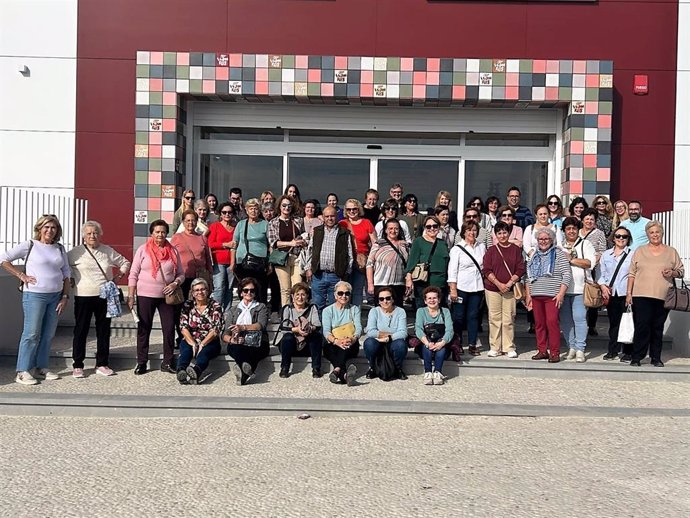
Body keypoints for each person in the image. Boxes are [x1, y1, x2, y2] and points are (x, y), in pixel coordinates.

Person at [1, 214, 71, 385]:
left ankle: (41, 367)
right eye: (46, 227)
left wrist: (65, 296)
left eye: (53, 227)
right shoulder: (30, 245)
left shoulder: (60, 248)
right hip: (35, 295)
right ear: (39, 228)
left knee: (48, 334)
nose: (50, 230)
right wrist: (20, 275)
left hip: (55, 296)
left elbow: (66, 273)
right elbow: (4, 259)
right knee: (31, 334)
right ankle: (22, 371)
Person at [68, 220, 130, 378]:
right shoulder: (75, 252)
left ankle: (102, 363)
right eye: (88, 233)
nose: (92, 236)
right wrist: (70, 277)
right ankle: (78, 365)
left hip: (105, 295)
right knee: (81, 330)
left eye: (95, 232)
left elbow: (125, 262)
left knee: (104, 330)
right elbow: (63, 266)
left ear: (100, 234)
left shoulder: (107, 250)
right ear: (83, 236)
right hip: (83, 295)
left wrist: (118, 277)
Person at [128, 219, 184, 375]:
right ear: (151, 233)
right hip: (145, 294)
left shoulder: (173, 250)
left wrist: (175, 284)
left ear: (167, 233)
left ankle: (167, 361)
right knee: (144, 328)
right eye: (157, 232)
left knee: (169, 328)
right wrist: (131, 295)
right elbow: (133, 273)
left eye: (163, 232)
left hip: (167, 296)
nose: (160, 234)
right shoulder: (143, 250)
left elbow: (180, 273)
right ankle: (141, 362)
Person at [626, 221, 684, 367]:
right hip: (641, 295)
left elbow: (681, 271)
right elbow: (631, 273)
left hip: (663, 296)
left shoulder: (671, 251)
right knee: (642, 325)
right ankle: (637, 356)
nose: (655, 235)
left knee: (657, 327)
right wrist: (629, 293)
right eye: (651, 232)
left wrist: (672, 272)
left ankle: (656, 357)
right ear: (647, 235)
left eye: (657, 232)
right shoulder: (640, 250)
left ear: (662, 233)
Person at [524, 228, 572, 363]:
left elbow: (566, 274)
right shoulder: (533, 255)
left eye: (546, 239)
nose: (543, 241)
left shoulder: (559, 254)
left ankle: (555, 352)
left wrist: (561, 293)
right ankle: (542, 350)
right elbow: (528, 277)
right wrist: (528, 295)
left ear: (551, 240)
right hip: (536, 294)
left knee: (552, 323)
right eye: (540, 239)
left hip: (552, 295)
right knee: (539, 324)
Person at [482, 221, 525, 358]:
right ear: (495, 235)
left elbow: (520, 268)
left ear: (509, 233)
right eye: (499, 233)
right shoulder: (491, 251)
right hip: (492, 289)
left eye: (504, 232)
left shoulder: (516, 250)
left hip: (510, 289)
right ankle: (495, 346)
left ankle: (509, 346)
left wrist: (509, 282)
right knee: (494, 318)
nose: (502, 235)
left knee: (509, 318)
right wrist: (498, 283)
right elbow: (486, 269)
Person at [560, 217, 596, 362]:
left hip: (580, 288)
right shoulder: (559, 246)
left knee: (580, 319)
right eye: (568, 229)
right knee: (565, 321)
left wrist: (571, 260)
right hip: (563, 289)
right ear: (564, 231)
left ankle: (580, 348)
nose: (571, 231)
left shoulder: (585, 244)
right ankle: (571, 347)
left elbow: (589, 263)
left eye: (574, 228)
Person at [176, 278, 224, 385]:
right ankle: (181, 372)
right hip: (190, 338)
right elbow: (183, 327)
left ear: (207, 291)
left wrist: (202, 344)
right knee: (186, 352)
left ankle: (196, 371)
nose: (200, 292)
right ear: (192, 293)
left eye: (203, 289)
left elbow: (216, 328)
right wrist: (193, 344)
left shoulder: (215, 306)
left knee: (204, 353)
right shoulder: (188, 306)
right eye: (197, 290)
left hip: (210, 340)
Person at [222, 277, 270, 384]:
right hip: (238, 342)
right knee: (236, 347)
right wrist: (231, 339)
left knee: (253, 351)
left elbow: (261, 325)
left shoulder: (261, 307)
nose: (249, 293)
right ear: (241, 293)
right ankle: (246, 371)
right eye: (246, 290)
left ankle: (242, 374)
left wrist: (242, 327)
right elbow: (225, 333)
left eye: (252, 290)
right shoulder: (233, 310)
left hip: (258, 342)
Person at [448, 221, 486, 356]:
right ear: (463, 232)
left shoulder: (481, 247)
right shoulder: (457, 249)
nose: (472, 233)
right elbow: (452, 271)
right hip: (461, 288)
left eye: (475, 230)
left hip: (477, 287)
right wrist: (453, 289)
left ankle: (472, 344)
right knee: (458, 317)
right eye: (469, 230)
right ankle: (457, 344)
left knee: (473, 316)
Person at [305, 206, 353, 311]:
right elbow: (310, 250)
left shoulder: (344, 233)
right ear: (323, 217)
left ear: (336, 217)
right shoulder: (317, 231)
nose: (330, 218)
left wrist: (346, 273)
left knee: (335, 307)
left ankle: (332, 328)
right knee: (317, 306)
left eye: (332, 216)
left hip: (336, 276)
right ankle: (319, 327)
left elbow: (350, 255)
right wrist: (308, 268)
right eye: (327, 216)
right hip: (318, 275)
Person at [600, 226, 634, 361]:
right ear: (613, 238)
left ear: (628, 239)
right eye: (618, 236)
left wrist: (630, 293)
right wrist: (602, 286)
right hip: (611, 293)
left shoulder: (633, 254)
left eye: (624, 236)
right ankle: (613, 350)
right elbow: (601, 274)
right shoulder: (606, 254)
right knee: (614, 324)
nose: (621, 239)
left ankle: (628, 352)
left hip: (626, 293)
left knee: (627, 322)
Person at [276, 282, 323, 378]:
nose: (300, 297)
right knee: (287, 337)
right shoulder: (287, 308)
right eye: (297, 294)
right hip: (290, 346)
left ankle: (316, 368)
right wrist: (296, 329)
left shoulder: (312, 307)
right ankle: (284, 368)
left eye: (303, 295)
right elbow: (284, 327)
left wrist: (309, 328)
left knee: (316, 336)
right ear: (293, 296)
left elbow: (317, 325)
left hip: (307, 345)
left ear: (307, 296)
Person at [268, 195, 307, 306]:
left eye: (289, 205)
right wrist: (291, 243)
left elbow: (302, 236)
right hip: (281, 258)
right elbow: (273, 242)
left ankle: (298, 313)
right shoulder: (273, 222)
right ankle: (286, 314)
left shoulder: (298, 220)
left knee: (298, 287)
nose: (287, 208)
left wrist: (302, 241)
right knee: (285, 289)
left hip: (296, 257)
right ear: (279, 207)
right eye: (284, 205)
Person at [363, 286, 408, 380]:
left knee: (401, 344)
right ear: (378, 301)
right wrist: (385, 335)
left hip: (393, 342)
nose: (385, 301)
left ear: (393, 299)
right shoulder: (374, 311)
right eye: (381, 299)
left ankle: (397, 369)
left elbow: (403, 332)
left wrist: (389, 338)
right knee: (369, 343)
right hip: (378, 341)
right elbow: (370, 331)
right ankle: (372, 367)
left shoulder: (400, 311)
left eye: (388, 298)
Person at [405, 215, 450, 309]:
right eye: (428, 226)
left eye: (435, 226)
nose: (432, 229)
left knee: (439, 312)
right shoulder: (418, 242)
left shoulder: (443, 243)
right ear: (424, 228)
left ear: (439, 227)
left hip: (440, 284)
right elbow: (411, 262)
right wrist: (409, 280)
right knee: (423, 311)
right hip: (423, 283)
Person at [322, 281, 362, 386]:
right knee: (332, 347)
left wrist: (353, 339)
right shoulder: (327, 311)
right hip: (333, 343)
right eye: (340, 293)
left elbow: (359, 328)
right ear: (335, 295)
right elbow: (326, 331)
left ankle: (337, 370)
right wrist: (336, 341)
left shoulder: (355, 309)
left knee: (345, 346)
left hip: (351, 342)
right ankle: (344, 375)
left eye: (347, 293)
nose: (343, 296)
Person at [339, 198, 377, 307]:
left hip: (361, 261)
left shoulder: (366, 222)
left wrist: (372, 259)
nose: (352, 211)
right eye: (349, 209)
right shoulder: (342, 224)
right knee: (345, 291)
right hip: (346, 261)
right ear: (345, 210)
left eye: (354, 209)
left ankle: (355, 318)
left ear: (359, 209)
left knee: (358, 291)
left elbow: (375, 243)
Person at [414, 286, 453, 385]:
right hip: (426, 342)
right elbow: (418, 329)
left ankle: (437, 372)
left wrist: (442, 342)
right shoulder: (421, 311)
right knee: (426, 347)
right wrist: (427, 343)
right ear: (425, 301)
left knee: (442, 348)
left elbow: (449, 330)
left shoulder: (445, 311)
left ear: (439, 300)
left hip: (441, 341)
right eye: (429, 298)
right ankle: (427, 372)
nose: (432, 300)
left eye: (434, 298)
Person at [366, 218, 410, 307]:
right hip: (381, 283)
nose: (393, 231)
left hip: (399, 284)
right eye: (390, 228)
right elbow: (369, 264)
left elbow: (409, 265)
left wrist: (409, 281)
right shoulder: (378, 244)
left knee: (397, 311)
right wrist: (370, 284)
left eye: (396, 228)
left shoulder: (405, 245)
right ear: (386, 230)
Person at [171, 210, 213, 301]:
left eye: (193, 220)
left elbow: (208, 258)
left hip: (199, 277)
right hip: (182, 277)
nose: (191, 223)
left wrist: (210, 275)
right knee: (181, 304)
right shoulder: (176, 238)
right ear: (183, 222)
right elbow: (171, 257)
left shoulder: (202, 238)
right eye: (188, 220)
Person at [234, 198, 270, 303]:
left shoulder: (265, 224)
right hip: (243, 262)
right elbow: (234, 243)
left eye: (256, 209)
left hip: (260, 263)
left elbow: (270, 245)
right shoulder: (241, 224)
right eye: (251, 208)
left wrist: (270, 263)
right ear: (246, 210)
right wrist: (232, 263)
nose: (253, 211)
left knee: (260, 289)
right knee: (245, 288)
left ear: (259, 210)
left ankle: (260, 312)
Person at [580, 208, 608, 336]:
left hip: (593, 269)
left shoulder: (599, 233)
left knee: (592, 296)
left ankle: (591, 325)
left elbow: (602, 251)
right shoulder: (577, 232)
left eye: (592, 219)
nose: (589, 221)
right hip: (578, 268)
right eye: (587, 219)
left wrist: (592, 262)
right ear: (582, 220)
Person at [207, 202, 236, 312]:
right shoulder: (215, 226)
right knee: (219, 287)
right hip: (218, 261)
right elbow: (210, 244)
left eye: (229, 212)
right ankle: (216, 311)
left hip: (232, 261)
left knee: (229, 288)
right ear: (220, 214)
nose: (227, 214)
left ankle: (227, 312)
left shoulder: (235, 227)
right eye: (224, 212)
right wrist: (225, 245)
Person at [261, 202, 282, 315]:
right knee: (263, 286)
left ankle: (275, 310)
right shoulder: (261, 223)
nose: (268, 213)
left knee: (275, 285)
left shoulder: (277, 223)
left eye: (271, 211)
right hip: (262, 260)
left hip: (275, 258)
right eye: (266, 211)